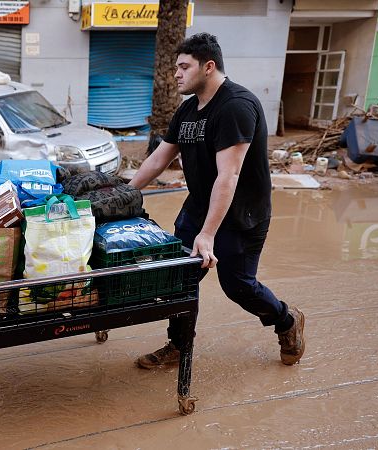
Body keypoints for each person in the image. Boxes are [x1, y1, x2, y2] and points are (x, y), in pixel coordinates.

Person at [129, 33, 305, 369]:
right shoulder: (188, 109)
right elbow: (157, 160)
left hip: (240, 215)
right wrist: (124, 194)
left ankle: (286, 320)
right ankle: (179, 345)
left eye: (184, 67)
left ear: (208, 67)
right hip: (197, 208)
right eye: (176, 67)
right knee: (180, 277)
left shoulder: (236, 106)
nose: (176, 74)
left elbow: (229, 176)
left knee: (238, 286)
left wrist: (207, 234)